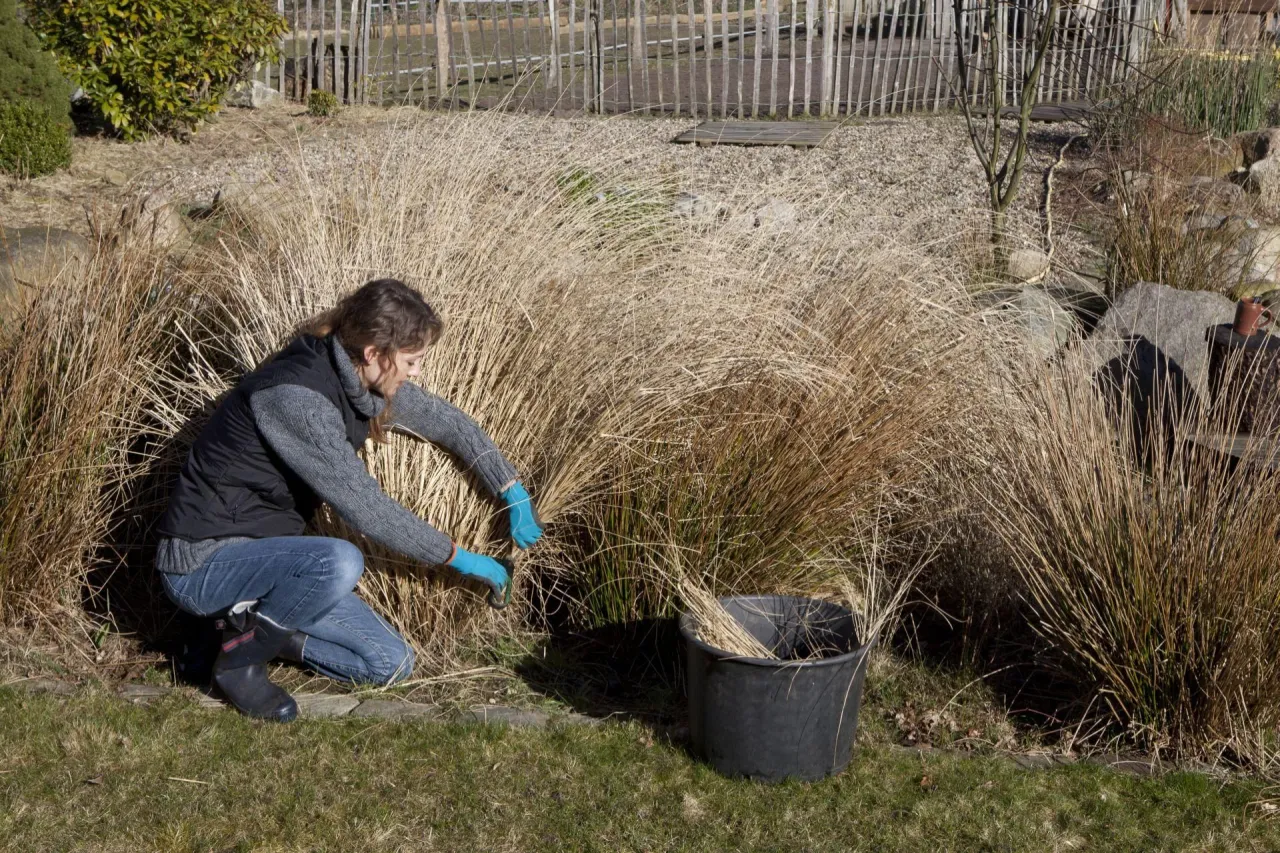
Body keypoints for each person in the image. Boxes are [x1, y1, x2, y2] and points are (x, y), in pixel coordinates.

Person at [155, 278, 542, 722]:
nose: (417, 372)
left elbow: (446, 422)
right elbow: (366, 508)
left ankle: (232, 634)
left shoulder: (361, 384)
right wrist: (464, 560)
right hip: (204, 563)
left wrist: (510, 488)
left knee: (390, 663)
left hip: (273, 567)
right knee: (338, 561)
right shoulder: (298, 397)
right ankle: (239, 666)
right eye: (412, 361)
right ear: (375, 353)